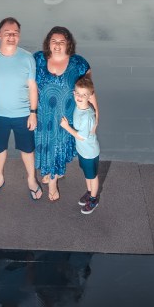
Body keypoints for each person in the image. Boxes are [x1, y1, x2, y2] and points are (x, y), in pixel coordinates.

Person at [0, 17, 42, 201]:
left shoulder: (27, 58)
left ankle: (31, 179)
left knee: (28, 149)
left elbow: (32, 87)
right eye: (7, 33)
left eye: (15, 33)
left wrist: (33, 113)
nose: (11, 36)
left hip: (23, 114)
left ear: (19, 36)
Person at [33, 26, 97, 202]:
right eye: (54, 41)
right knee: (47, 149)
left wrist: (96, 117)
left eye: (62, 42)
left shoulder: (78, 63)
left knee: (56, 150)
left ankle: (52, 186)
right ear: (48, 43)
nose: (58, 45)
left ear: (69, 43)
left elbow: (89, 91)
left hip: (65, 120)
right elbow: (27, 83)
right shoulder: (38, 59)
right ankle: (51, 172)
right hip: (43, 117)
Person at [60, 76, 101, 214]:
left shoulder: (87, 116)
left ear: (89, 97)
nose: (79, 96)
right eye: (78, 93)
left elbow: (81, 136)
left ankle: (94, 199)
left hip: (90, 152)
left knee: (93, 176)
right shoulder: (79, 107)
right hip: (83, 151)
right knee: (87, 175)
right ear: (74, 93)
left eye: (84, 95)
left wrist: (66, 127)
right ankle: (90, 192)